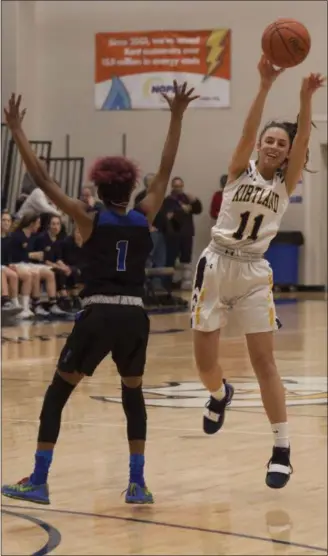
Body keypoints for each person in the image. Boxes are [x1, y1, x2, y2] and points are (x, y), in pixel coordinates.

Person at [2, 81, 198, 505]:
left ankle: (38, 479)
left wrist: (17, 132)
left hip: (99, 314)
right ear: (130, 189)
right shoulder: (145, 215)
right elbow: (165, 168)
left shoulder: (88, 218)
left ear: (100, 187)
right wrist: (177, 115)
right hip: (135, 317)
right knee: (133, 394)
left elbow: (42, 178)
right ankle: (137, 483)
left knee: (57, 393)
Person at [191, 56, 324, 489]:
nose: (272, 146)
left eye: (280, 144)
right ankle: (218, 395)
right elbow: (247, 131)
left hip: (252, 273)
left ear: (287, 155)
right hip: (215, 264)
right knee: (205, 365)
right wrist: (264, 84)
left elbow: (304, 137)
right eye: (268, 140)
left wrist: (305, 99)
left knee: (265, 361)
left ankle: (281, 449)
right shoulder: (237, 171)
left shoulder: (285, 186)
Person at [163, 176, 202, 290]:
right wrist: (182, 210)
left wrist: (194, 201)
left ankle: (186, 283)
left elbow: (198, 210)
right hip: (173, 235)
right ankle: (168, 284)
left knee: (186, 259)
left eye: (180, 186)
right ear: (172, 187)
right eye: (176, 186)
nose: (178, 188)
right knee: (170, 260)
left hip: (187, 234)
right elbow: (168, 215)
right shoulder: (168, 200)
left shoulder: (187, 198)